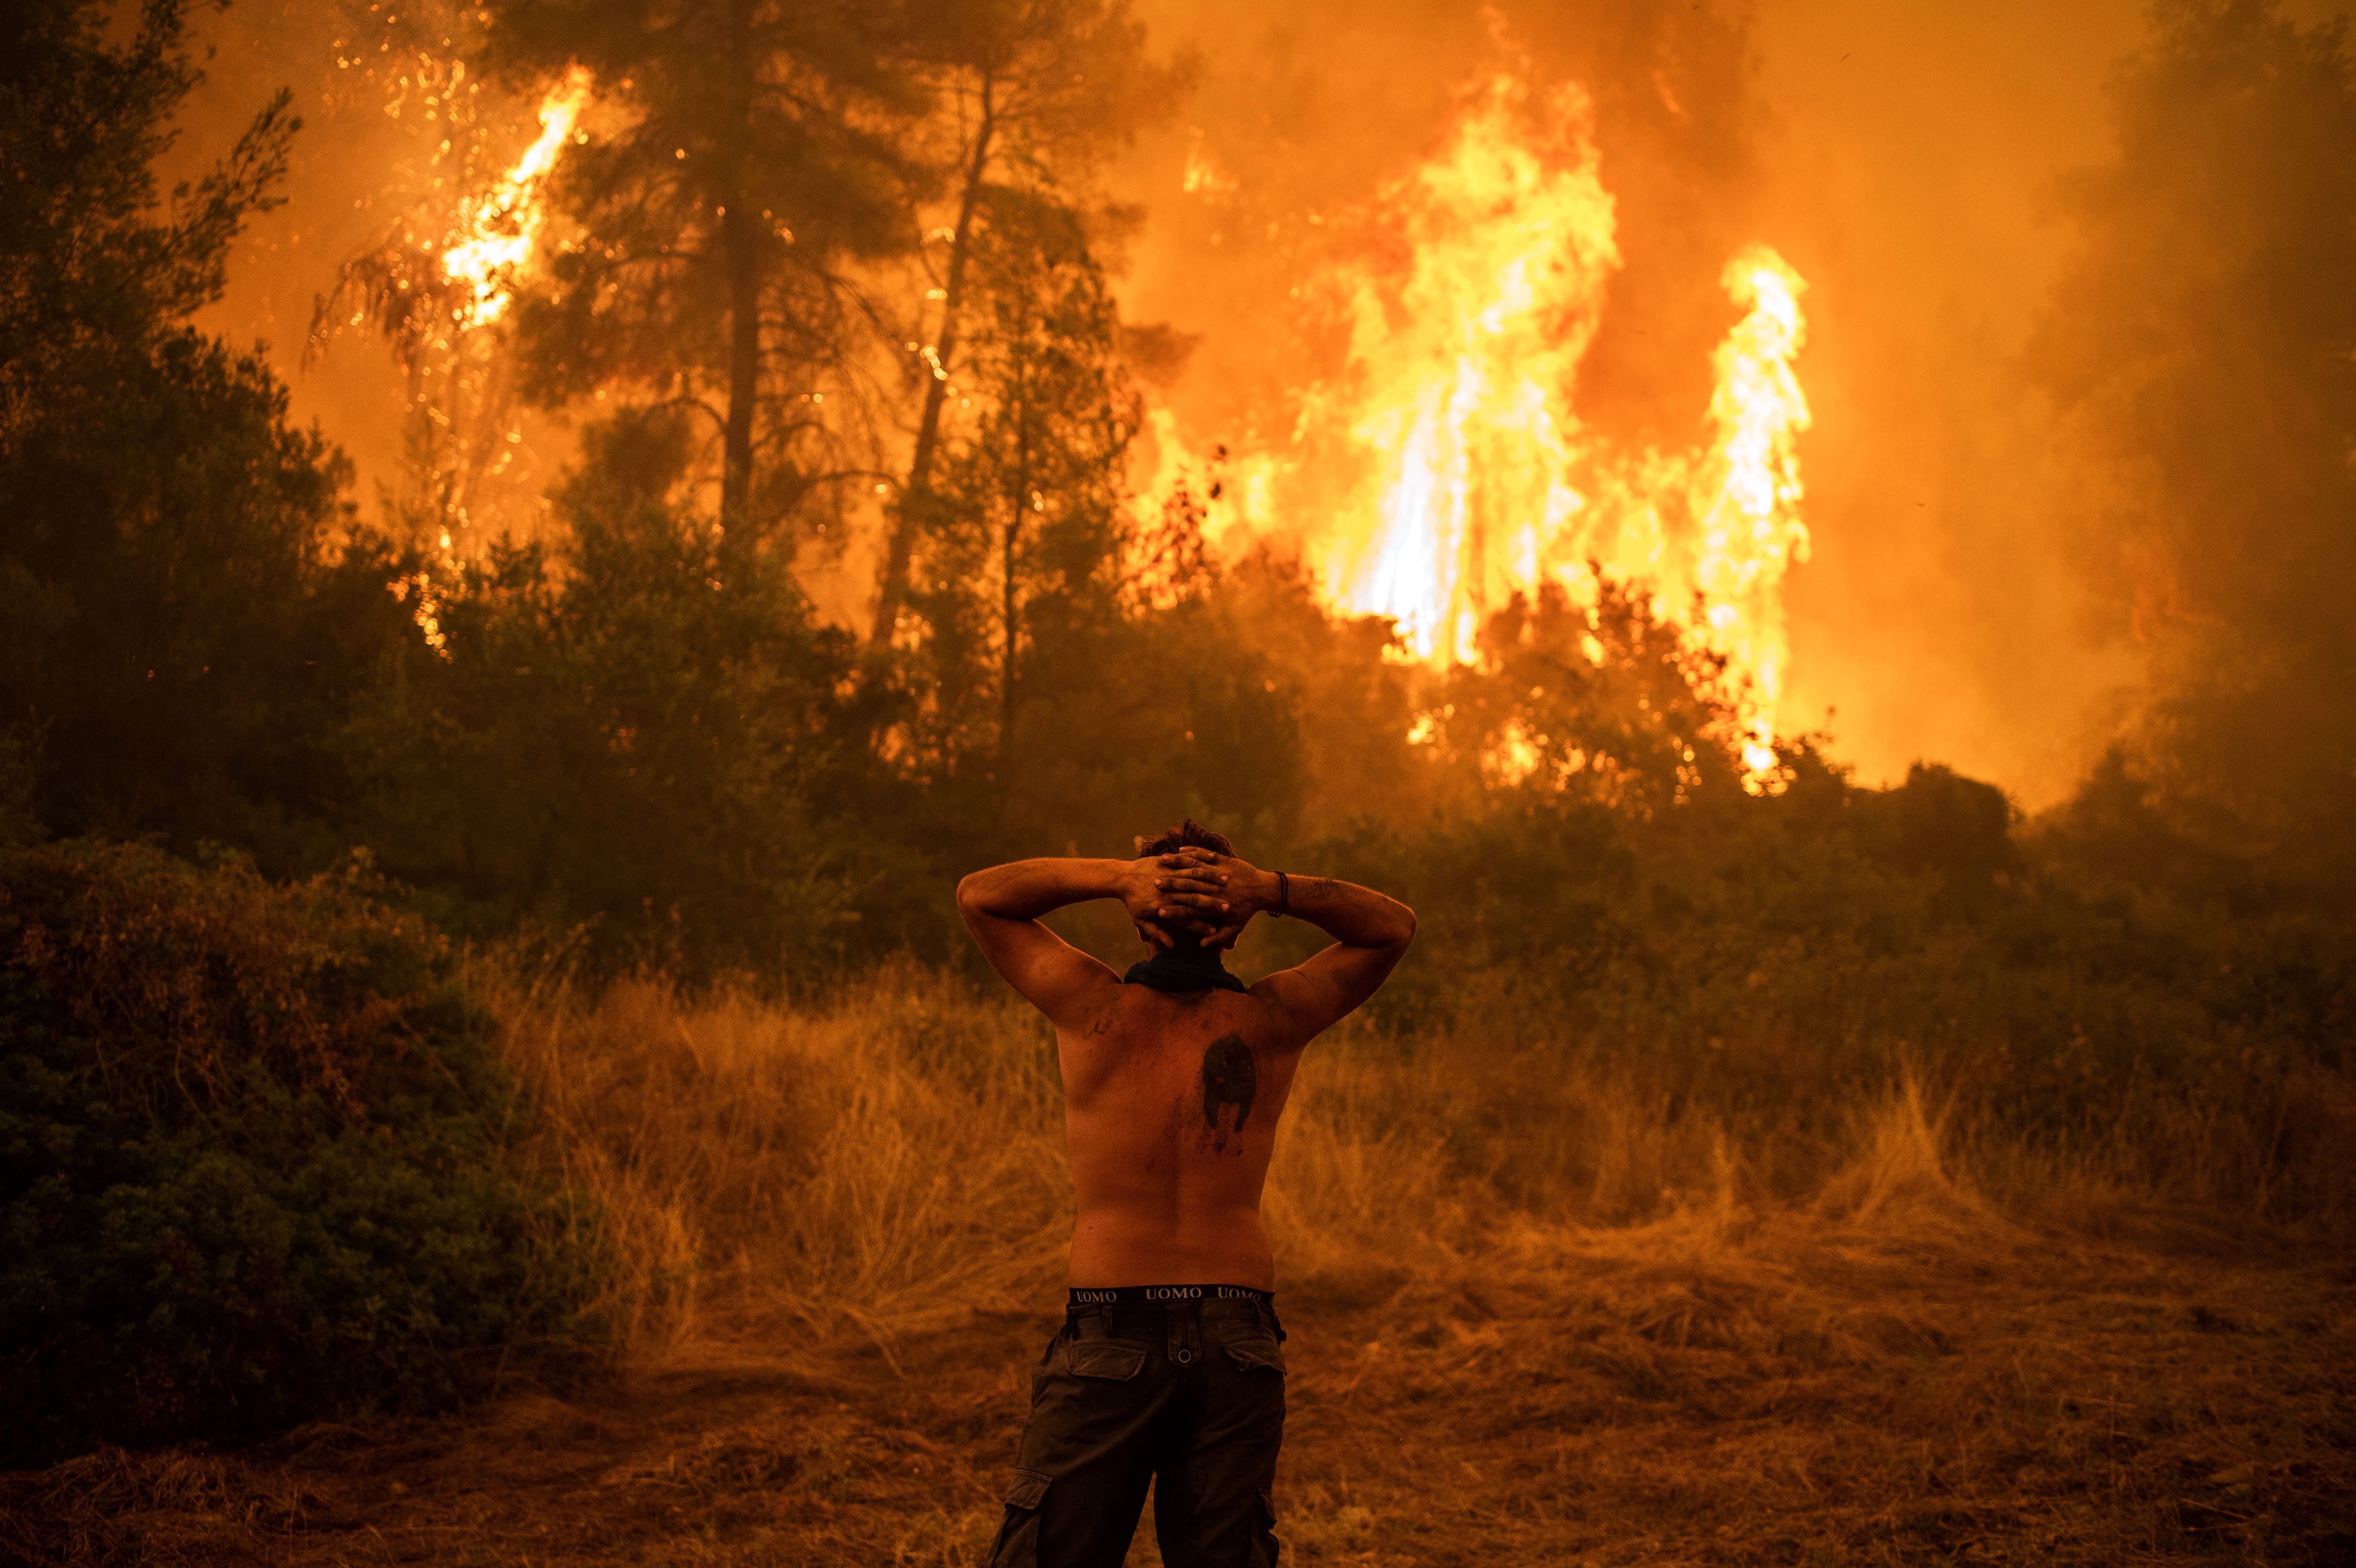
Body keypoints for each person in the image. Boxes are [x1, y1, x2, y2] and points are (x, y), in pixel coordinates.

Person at [956, 820, 1417, 1568]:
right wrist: (1271, 891)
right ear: (1232, 931)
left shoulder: (1089, 1006)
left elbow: (981, 896)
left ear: (1141, 922)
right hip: (1235, 1338)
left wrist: (1119, 877)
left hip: (1113, 1326)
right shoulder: (1271, 1019)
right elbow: (1392, 928)